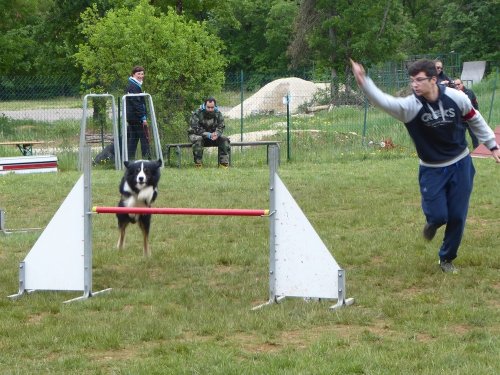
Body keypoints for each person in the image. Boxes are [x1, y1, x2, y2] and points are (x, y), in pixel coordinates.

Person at [350, 58, 500, 273]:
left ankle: (446, 258)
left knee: (457, 216)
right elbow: (383, 101)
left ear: (433, 79)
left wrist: (492, 144)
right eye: (412, 80)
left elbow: (475, 119)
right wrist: (364, 82)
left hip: (461, 164)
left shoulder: (457, 98)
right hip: (432, 169)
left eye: (419, 80)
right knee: (439, 216)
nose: (414, 85)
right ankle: (433, 222)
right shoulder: (409, 107)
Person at [188, 97, 231, 168]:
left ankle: (223, 164)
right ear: (204, 106)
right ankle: (198, 164)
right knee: (199, 139)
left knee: (224, 139)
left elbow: (221, 126)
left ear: (215, 106)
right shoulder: (197, 113)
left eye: (212, 107)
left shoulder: (218, 113)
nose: (210, 109)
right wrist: (208, 134)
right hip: (197, 135)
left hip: (213, 136)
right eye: (208, 107)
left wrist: (217, 134)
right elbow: (196, 128)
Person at [125, 66, 150, 160]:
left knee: (134, 138)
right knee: (145, 138)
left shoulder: (133, 85)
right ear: (133, 74)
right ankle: (146, 159)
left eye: (142, 74)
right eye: (138, 74)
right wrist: (143, 117)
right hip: (136, 117)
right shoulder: (134, 86)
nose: (141, 76)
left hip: (131, 117)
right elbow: (137, 103)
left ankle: (130, 159)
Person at [454, 78, 479, 149]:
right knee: (460, 135)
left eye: (458, 84)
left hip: (470, 117)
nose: (457, 86)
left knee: (474, 134)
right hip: (460, 119)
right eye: (455, 85)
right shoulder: (453, 93)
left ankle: (476, 149)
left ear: (462, 84)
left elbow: (475, 103)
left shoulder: (470, 92)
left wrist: (476, 113)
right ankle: (462, 149)